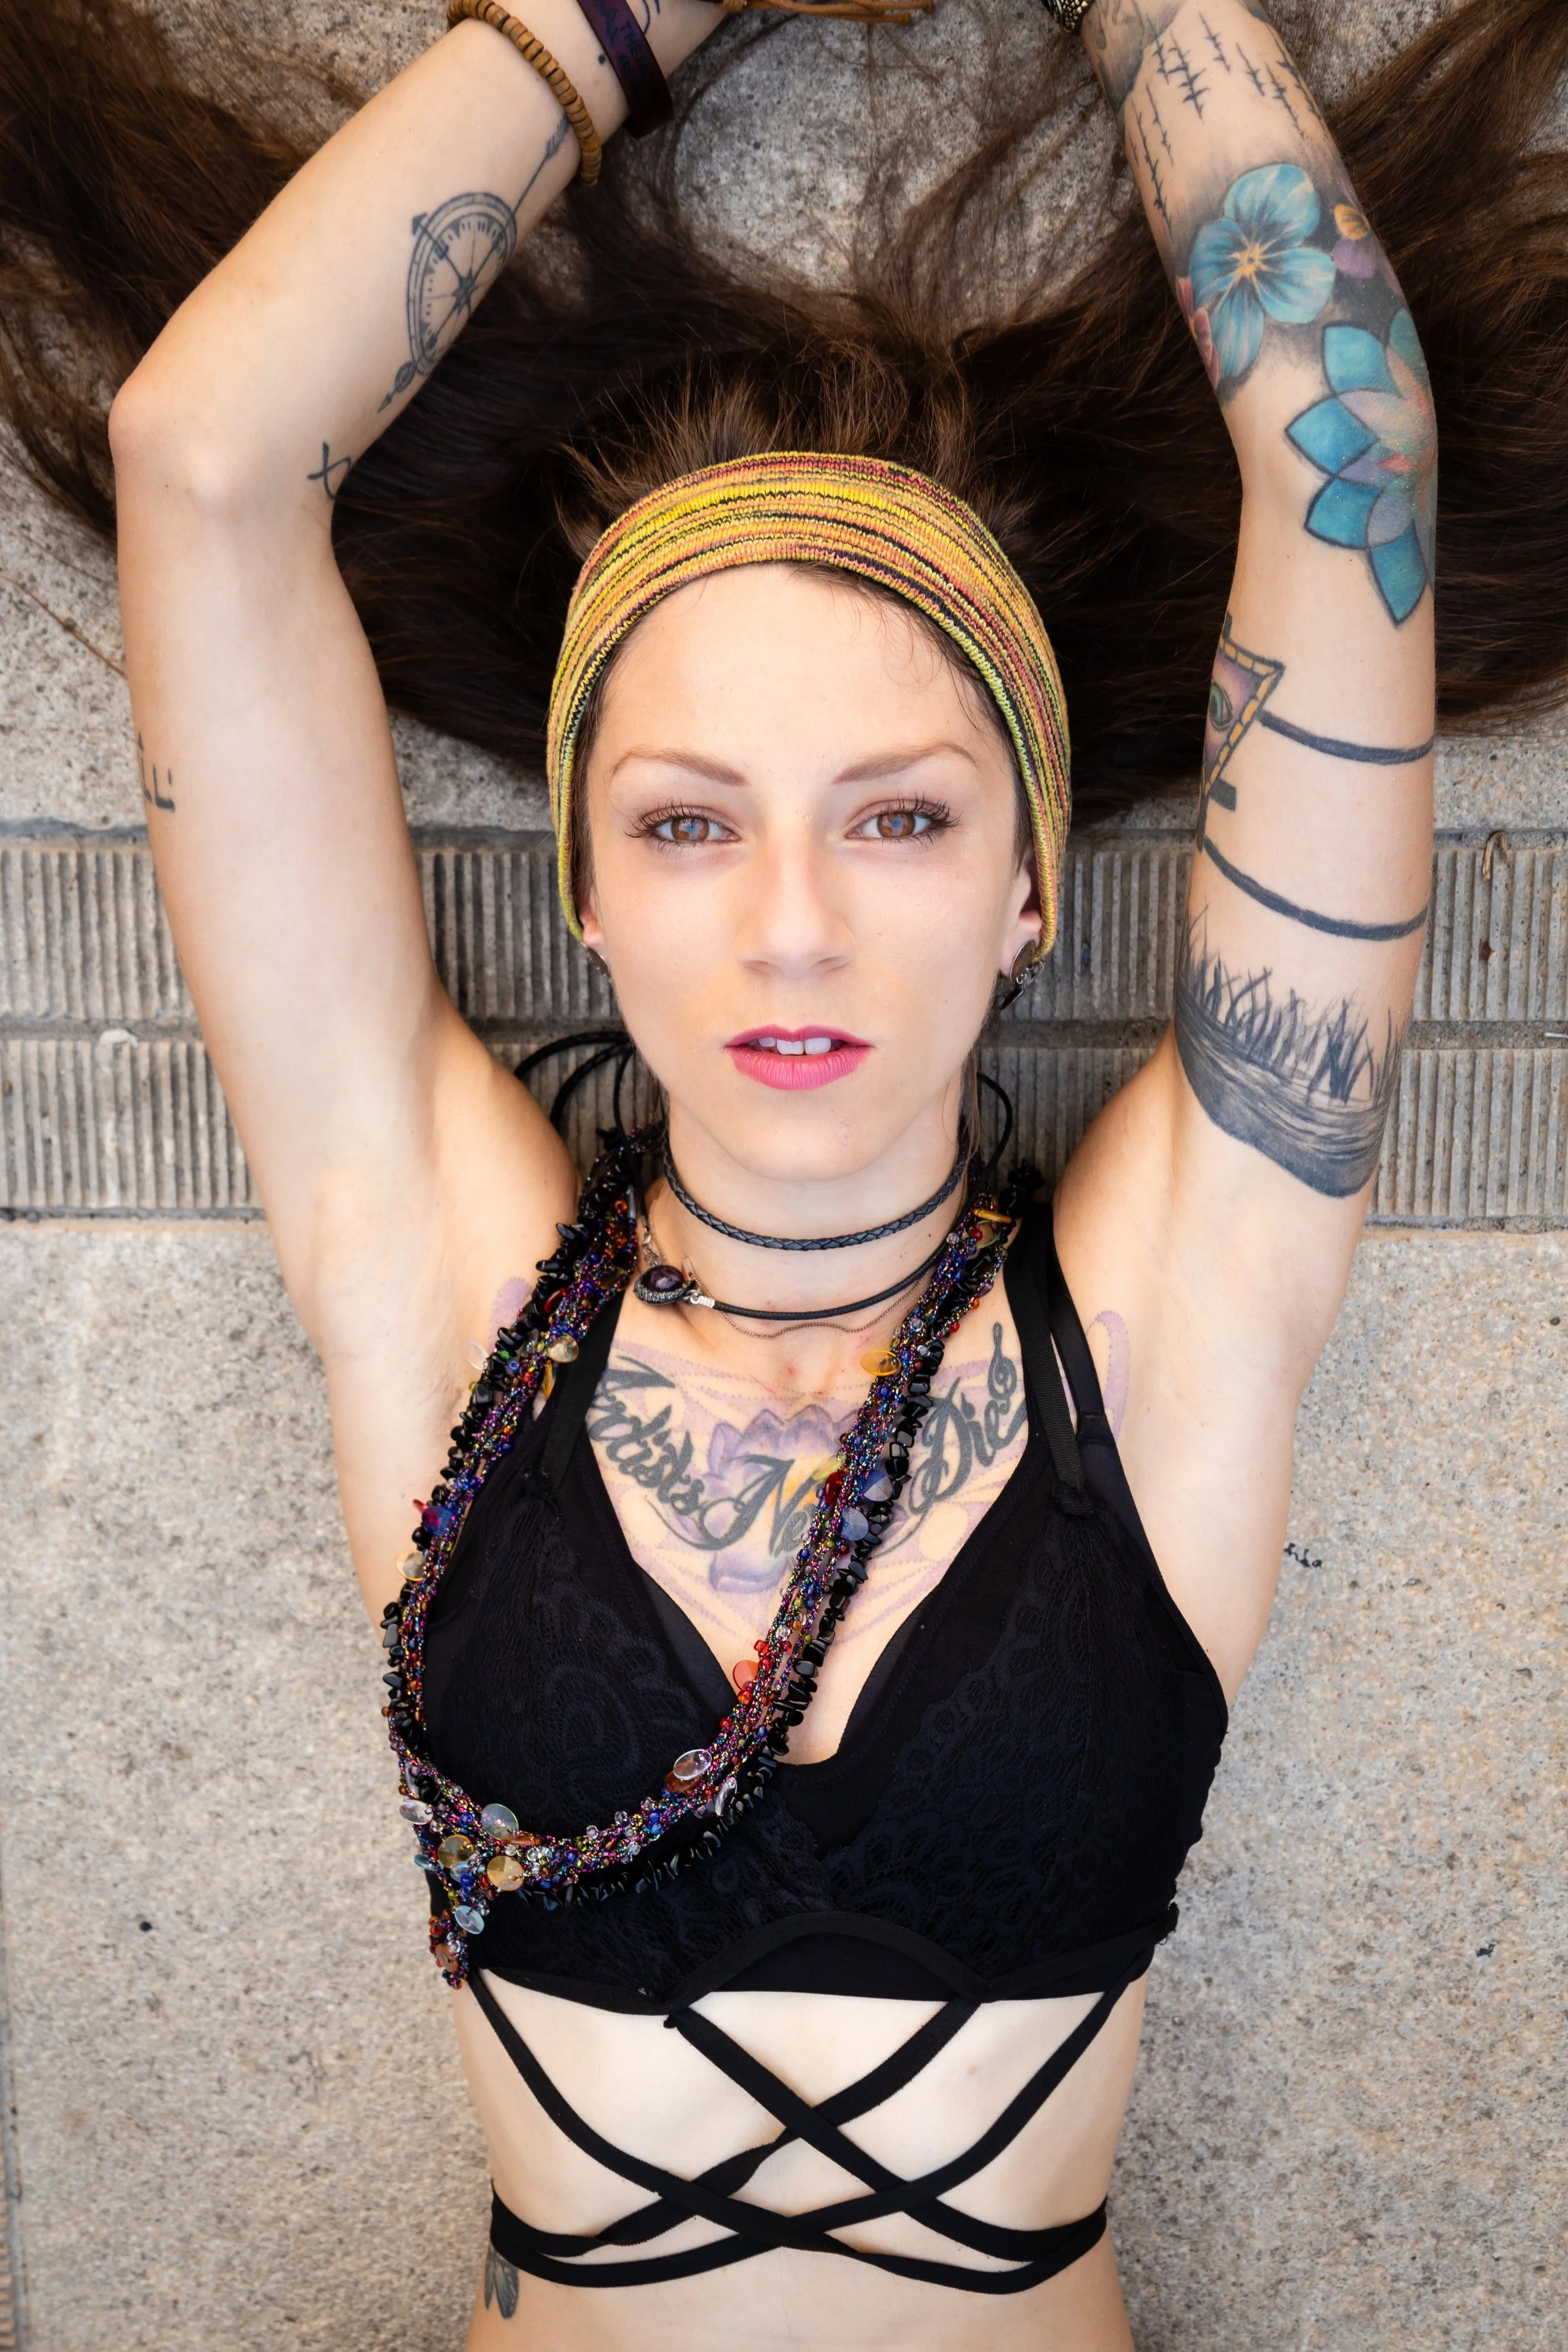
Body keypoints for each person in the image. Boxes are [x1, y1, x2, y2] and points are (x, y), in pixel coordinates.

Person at [3, 0, 1567, 2343]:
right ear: (587, 888)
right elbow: (205, 454)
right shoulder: (428, 1269)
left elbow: (1343, 416)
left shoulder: (1179, 1301)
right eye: (686, 824)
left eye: (903, 817)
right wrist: (630, 15)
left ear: (1030, 883)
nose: (794, 920)